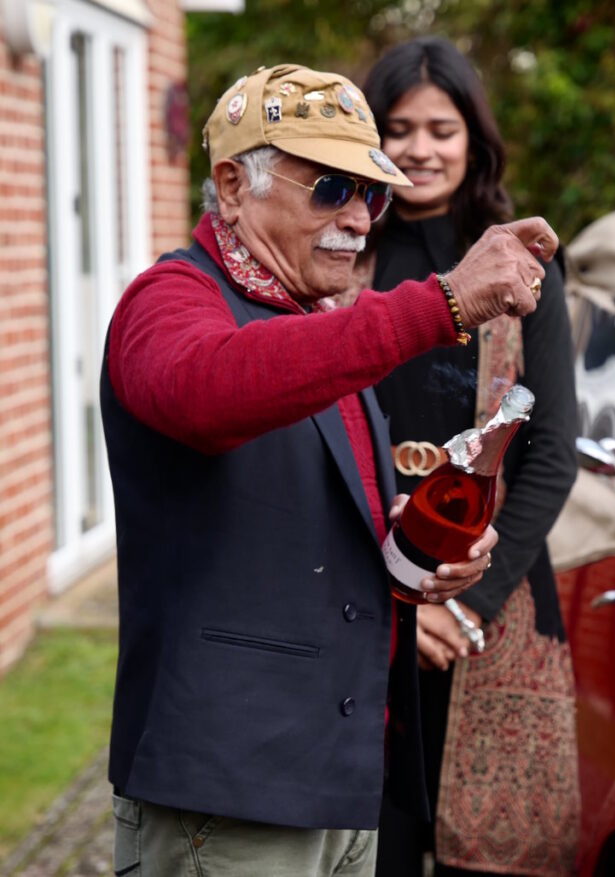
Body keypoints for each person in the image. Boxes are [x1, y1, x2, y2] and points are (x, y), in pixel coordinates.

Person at [100, 62, 559, 877]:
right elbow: (210, 389)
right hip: (233, 795)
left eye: (370, 195)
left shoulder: (311, 320)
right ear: (233, 186)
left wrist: (421, 560)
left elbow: (309, 524)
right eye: (329, 190)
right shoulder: (169, 299)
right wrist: (443, 302)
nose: (356, 218)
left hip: (335, 783)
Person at [358, 38, 581, 877]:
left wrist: (462, 606)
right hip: (363, 601)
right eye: (399, 128)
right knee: (365, 850)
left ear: (473, 139)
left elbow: (553, 451)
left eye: (441, 129)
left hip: (497, 610)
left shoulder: (523, 270)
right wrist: (401, 609)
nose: (420, 148)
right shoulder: (342, 262)